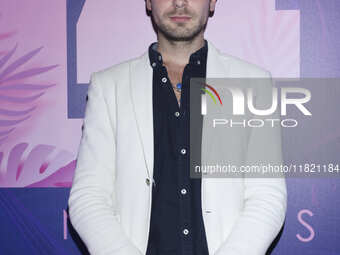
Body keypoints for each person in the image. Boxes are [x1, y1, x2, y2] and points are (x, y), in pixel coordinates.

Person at [68, 0, 287, 254]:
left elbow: (267, 196)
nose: (180, 2)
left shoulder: (254, 83)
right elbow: (88, 197)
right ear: (149, 2)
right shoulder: (109, 87)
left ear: (213, 1)